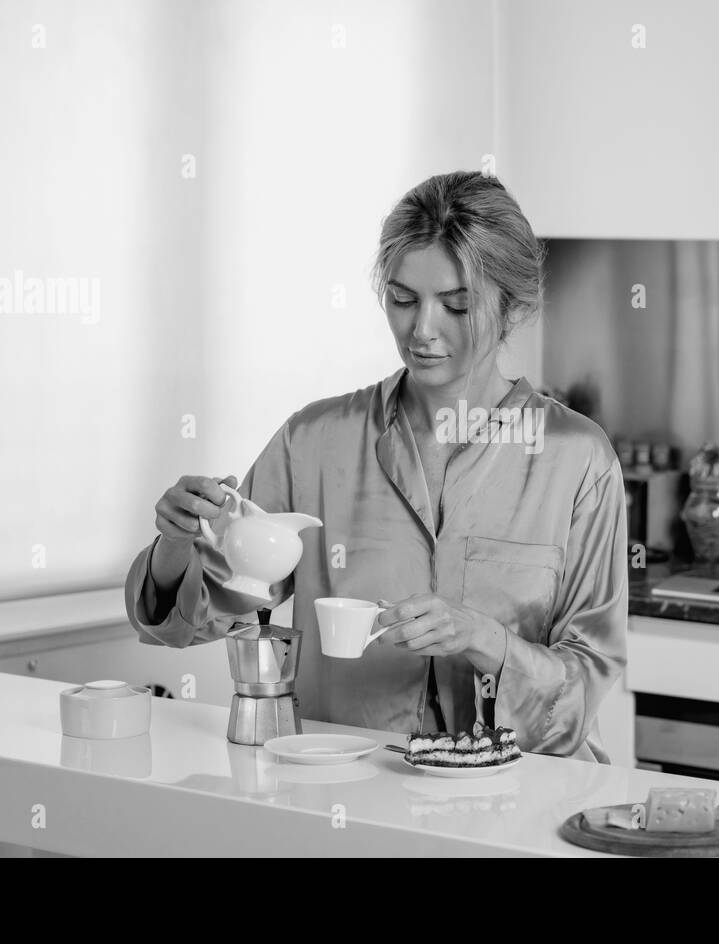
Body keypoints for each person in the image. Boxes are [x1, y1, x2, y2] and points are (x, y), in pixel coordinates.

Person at [124, 170, 627, 761]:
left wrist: (486, 640)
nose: (422, 330)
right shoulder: (313, 442)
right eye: (403, 299)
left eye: (457, 305)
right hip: (351, 792)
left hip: (518, 797)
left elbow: (585, 681)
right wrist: (176, 544)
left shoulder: (577, 458)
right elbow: (188, 622)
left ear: (512, 308)